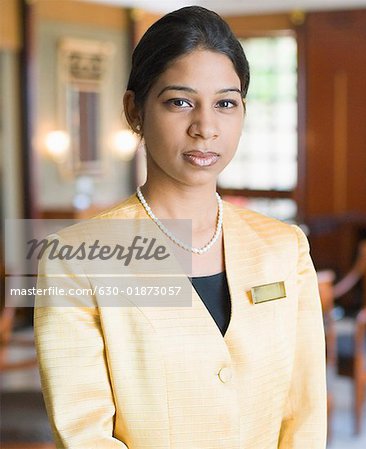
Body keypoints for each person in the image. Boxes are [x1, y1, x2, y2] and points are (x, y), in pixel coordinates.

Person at [34, 6, 327, 448]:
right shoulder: (76, 258)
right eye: (180, 102)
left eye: (225, 103)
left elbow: (304, 414)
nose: (205, 127)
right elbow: (84, 435)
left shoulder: (285, 248)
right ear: (135, 111)